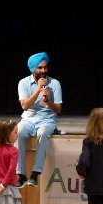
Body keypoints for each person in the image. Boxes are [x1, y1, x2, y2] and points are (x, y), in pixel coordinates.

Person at [16, 51, 62, 188]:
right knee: (18, 132)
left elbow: (58, 109)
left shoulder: (55, 83)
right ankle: (21, 174)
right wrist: (37, 90)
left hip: (47, 119)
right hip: (28, 119)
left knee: (43, 133)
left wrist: (47, 100)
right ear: (33, 69)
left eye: (45, 67)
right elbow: (24, 106)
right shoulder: (23, 83)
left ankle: (35, 173)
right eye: (40, 68)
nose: (43, 70)